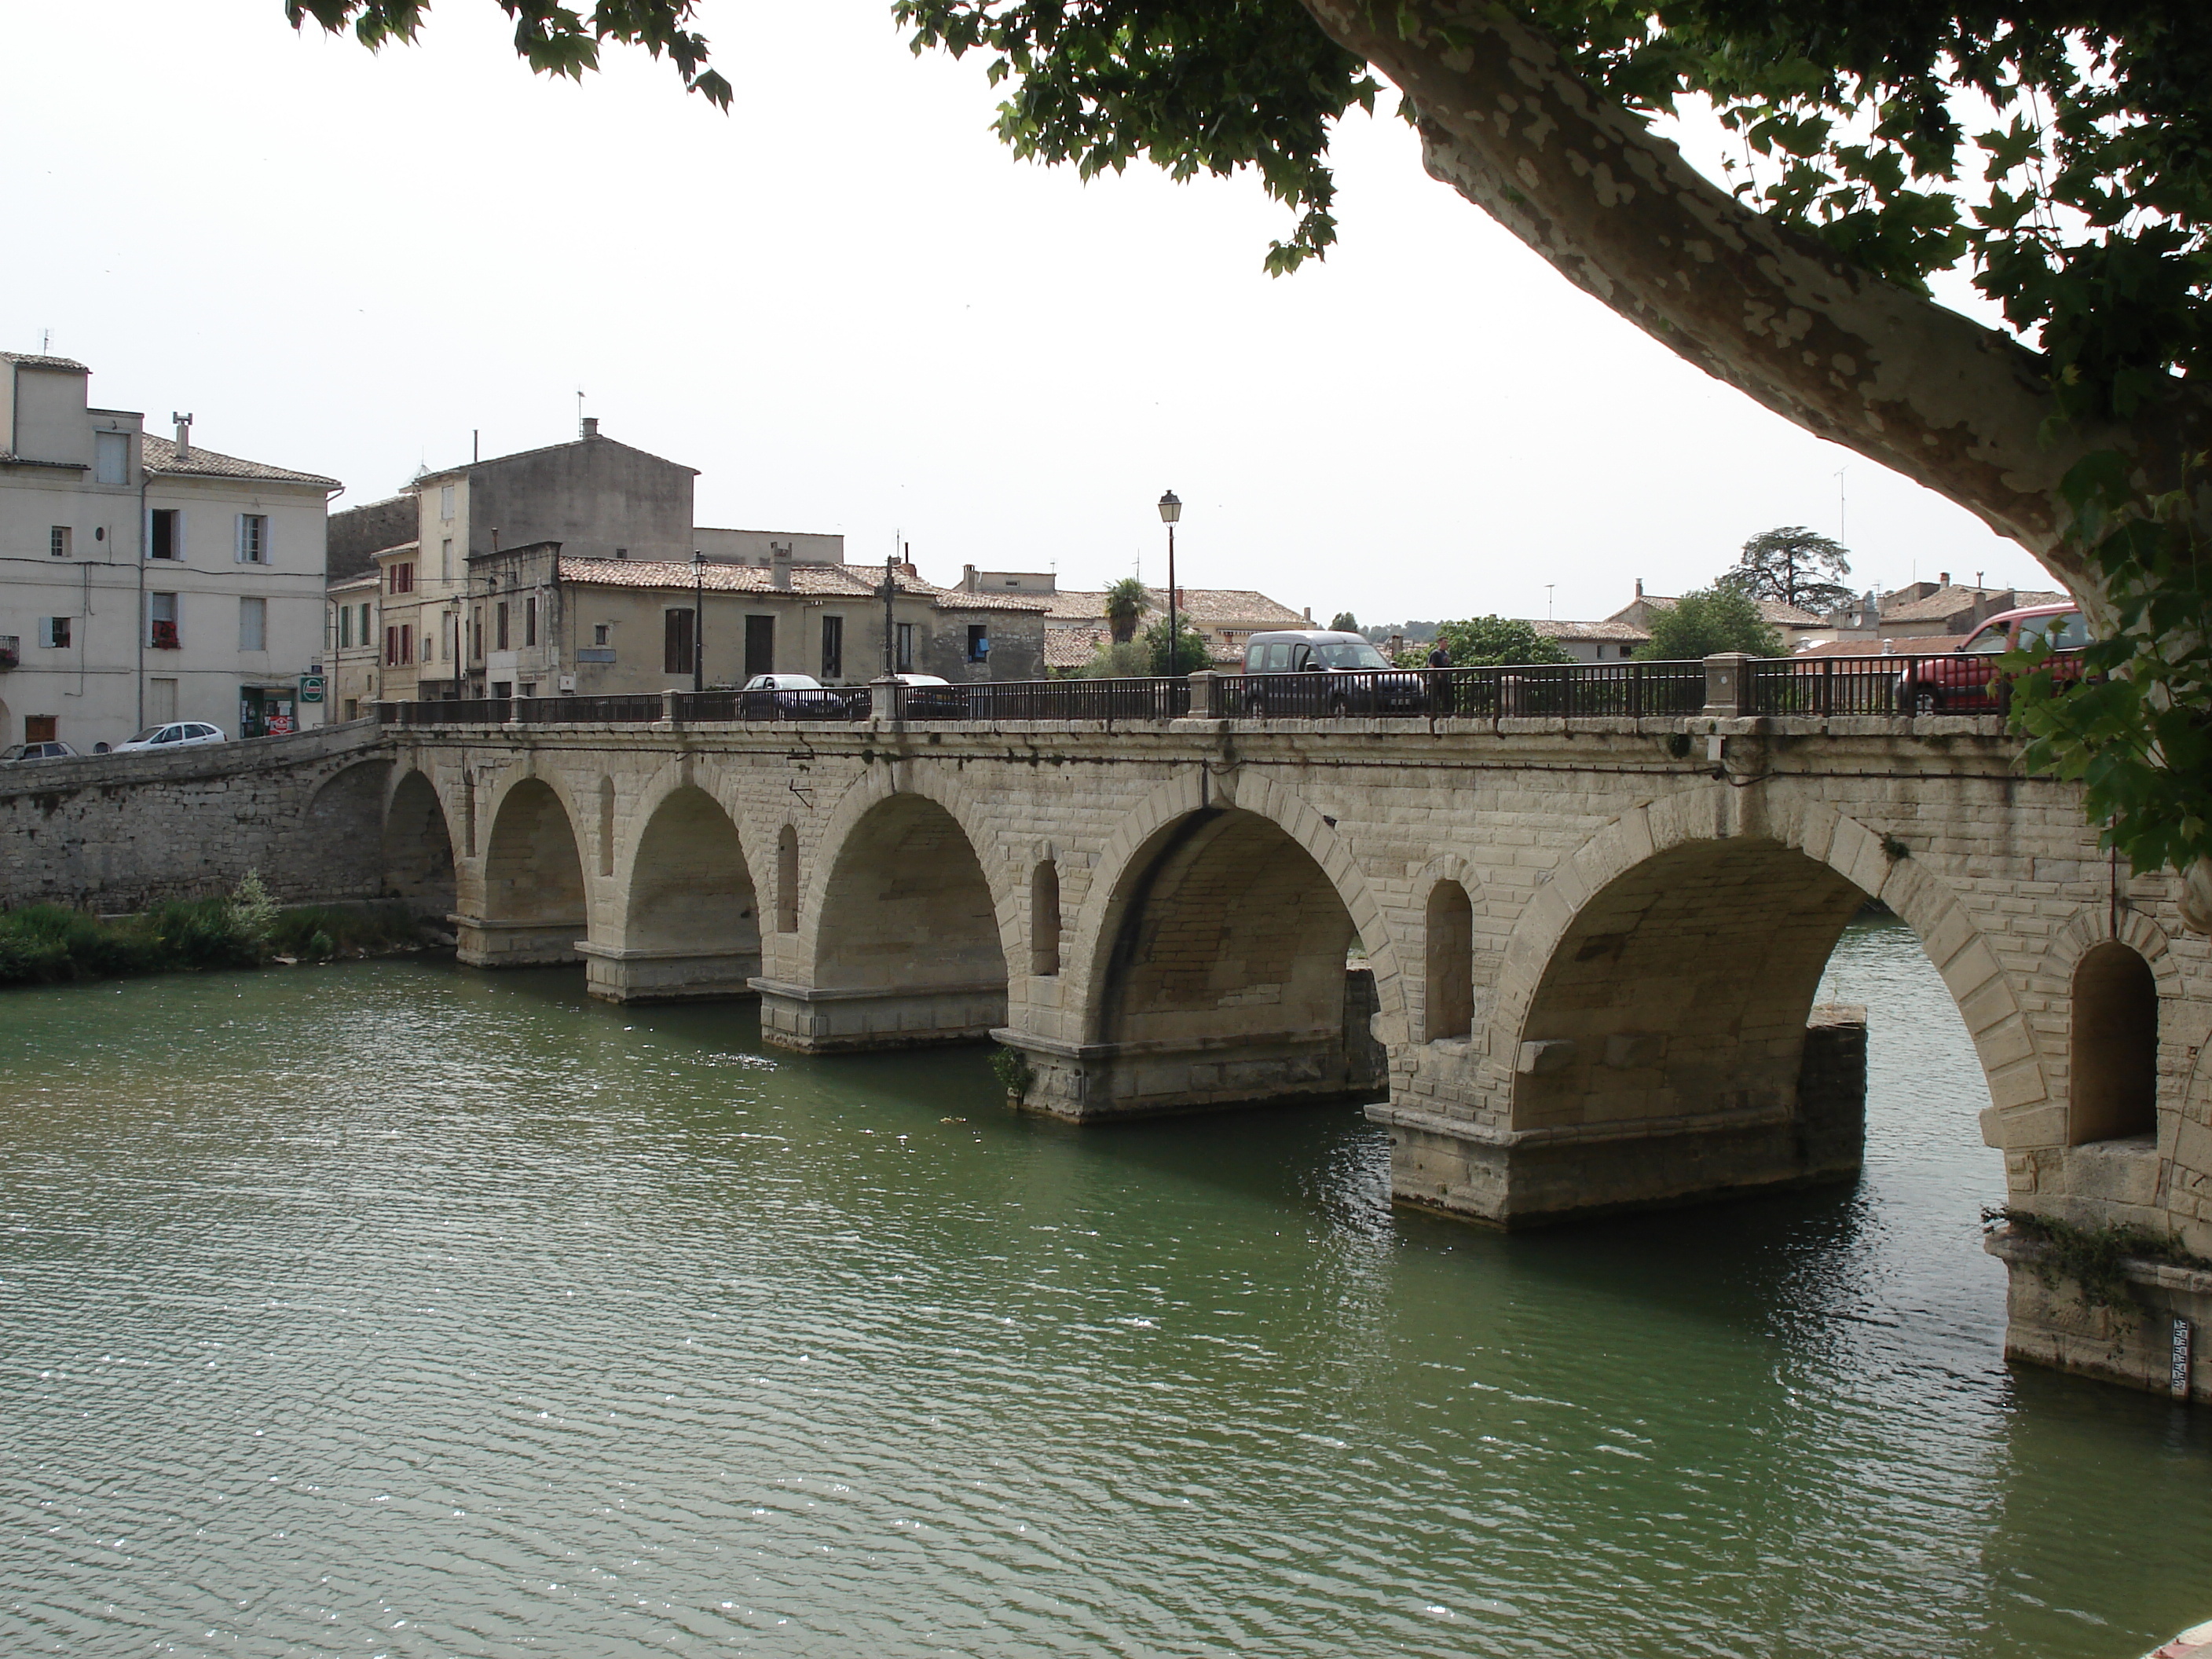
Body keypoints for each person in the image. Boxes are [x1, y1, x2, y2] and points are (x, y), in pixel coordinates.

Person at [1425, 639, 1454, 716]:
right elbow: (1431, 665)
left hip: (1445, 679)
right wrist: (1437, 675)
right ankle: (1430, 714)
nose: (1446, 644)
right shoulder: (1435, 653)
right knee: (1433, 698)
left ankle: (1446, 713)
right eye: (1445, 642)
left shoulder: (1446, 654)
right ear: (1440, 643)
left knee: (1446, 698)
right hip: (1436, 680)